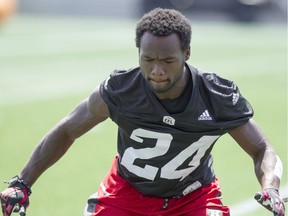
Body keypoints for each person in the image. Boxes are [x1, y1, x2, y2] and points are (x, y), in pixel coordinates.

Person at [0, 8, 285, 216]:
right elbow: (67, 130)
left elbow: (262, 148)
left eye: (167, 60)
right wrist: (22, 181)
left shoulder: (216, 95)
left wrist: (271, 186)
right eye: (148, 59)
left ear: (187, 54)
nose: (157, 70)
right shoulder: (121, 90)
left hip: (192, 197)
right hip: (127, 193)